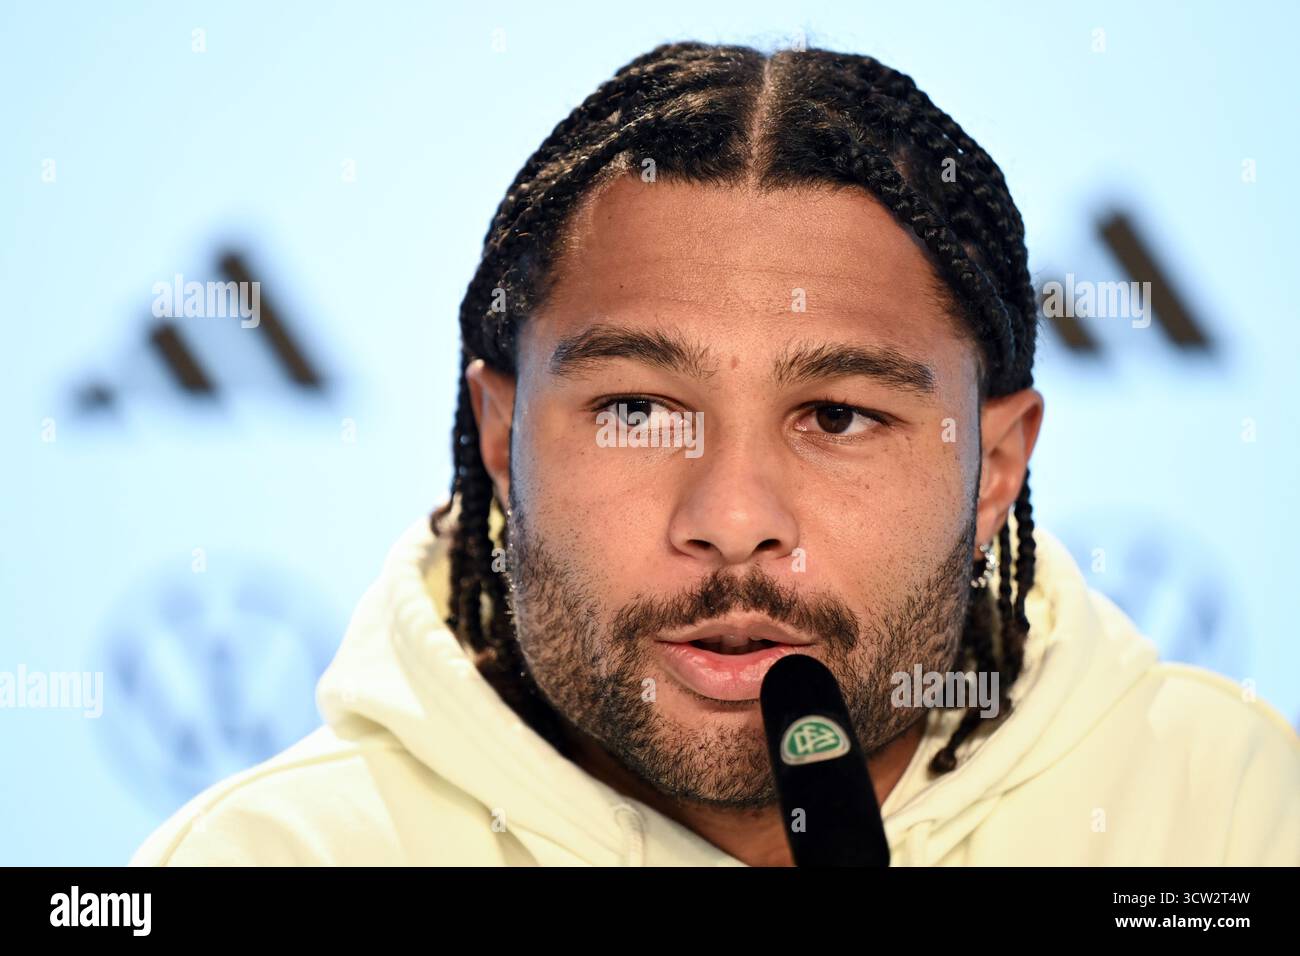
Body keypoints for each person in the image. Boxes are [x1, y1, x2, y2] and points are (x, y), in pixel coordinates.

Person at [131, 41, 1299, 866]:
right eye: (639, 409)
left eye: (835, 416)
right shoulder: (273, 859)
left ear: (992, 469)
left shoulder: (1230, 813)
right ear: (500, 438)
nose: (734, 518)